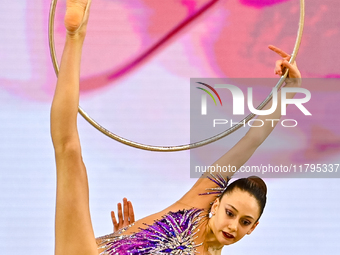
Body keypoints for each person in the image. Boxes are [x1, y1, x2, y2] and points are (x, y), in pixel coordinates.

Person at [51, 1, 301, 255]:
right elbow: (253, 139)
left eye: (244, 222)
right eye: (230, 213)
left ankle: (75, 36)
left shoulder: (198, 205)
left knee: (69, 153)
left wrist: (127, 241)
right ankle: (75, 32)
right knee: (69, 151)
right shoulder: (199, 201)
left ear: (253, 228)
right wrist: (288, 92)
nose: (232, 226)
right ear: (216, 204)